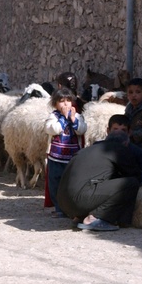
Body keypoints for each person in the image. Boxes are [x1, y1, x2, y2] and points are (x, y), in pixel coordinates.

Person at [56, 131, 142, 231]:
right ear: (126, 143)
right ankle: (97, 218)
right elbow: (135, 175)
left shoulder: (88, 150)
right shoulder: (118, 149)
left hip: (62, 203)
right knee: (131, 183)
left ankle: (80, 217)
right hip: (79, 200)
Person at [44, 88, 87, 218]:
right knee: (55, 184)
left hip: (72, 158)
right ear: (55, 104)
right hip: (56, 158)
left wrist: (73, 119)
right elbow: (53, 129)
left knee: (71, 183)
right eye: (61, 101)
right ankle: (59, 208)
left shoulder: (77, 116)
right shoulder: (53, 117)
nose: (66, 104)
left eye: (68, 101)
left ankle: (71, 208)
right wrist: (63, 118)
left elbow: (82, 130)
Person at [107, 114, 142, 185]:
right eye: (115, 130)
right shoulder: (98, 148)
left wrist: (138, 180)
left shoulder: (135, 151)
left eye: (123, 131)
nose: (119, 135)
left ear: (129, 133)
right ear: (108, 131)